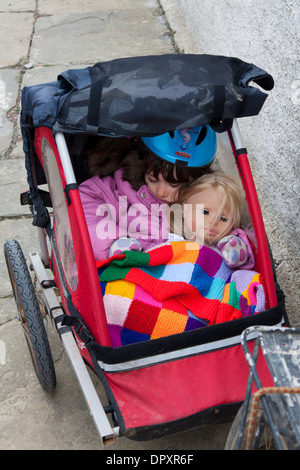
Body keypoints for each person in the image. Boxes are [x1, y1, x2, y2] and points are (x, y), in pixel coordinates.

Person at [79, 125, 217, 260]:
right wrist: (114, 242)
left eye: (173, 185)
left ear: (196, 180)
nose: (161, 192)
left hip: (186, 267)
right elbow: (86, 211)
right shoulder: (119, 189)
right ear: (142, 165)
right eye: (152, 179)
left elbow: (224, 220)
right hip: (133, 264)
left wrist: (229, 242)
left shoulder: (205, 198)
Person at [174, 172, 255, 269]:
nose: (213, 221)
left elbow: (236, 261)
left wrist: (233, 250)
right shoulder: (172, 239)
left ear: (233, 225)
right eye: (205, 212)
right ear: (185, 210)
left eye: (223, 219)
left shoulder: (223, 251)